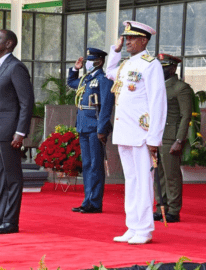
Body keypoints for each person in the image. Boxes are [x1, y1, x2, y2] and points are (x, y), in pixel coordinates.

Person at [105, 21, 167, 244]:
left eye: (131, 38)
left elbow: (158, 102)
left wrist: (154, 137)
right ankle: (132, 225)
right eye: (125, 38)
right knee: (131, 180)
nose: (127, 41)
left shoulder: (150, 65)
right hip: (125, 131)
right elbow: (109, 72)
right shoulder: (126, 64)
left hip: (142, 134)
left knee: (143, 181)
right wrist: (116, 50)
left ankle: (144, 229)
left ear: (144, 40)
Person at [0, 29, 35, 234]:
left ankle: (10, 222)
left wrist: (20, 132)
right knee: (0, 178)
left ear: (9, 44)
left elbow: (26, 102)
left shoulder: (16, 67)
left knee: (12, 178)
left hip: (10, 133)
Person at [67, 48, 114, 214]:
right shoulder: (86, 79)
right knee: (87, 165)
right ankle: (87, 200)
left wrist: (102, 129)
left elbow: (106, 107)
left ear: (99, 61)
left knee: (95, 165)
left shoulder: (104, 80)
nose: (87, 62)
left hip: (95, 128)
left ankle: (95, 202)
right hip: (83, 126)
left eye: (90, 60)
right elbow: (71, 83)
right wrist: (75, 69)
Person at [153, 54, 193, 223]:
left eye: (164, 68)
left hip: (171, 137)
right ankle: (161, 206)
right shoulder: (157, 86)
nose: (160, 71)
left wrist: (179, 140)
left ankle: (174, 210)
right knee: (158, 175)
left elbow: (186, 116)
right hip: (157, 135)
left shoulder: (180, 87)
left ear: (173, 68)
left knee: (172, 175)